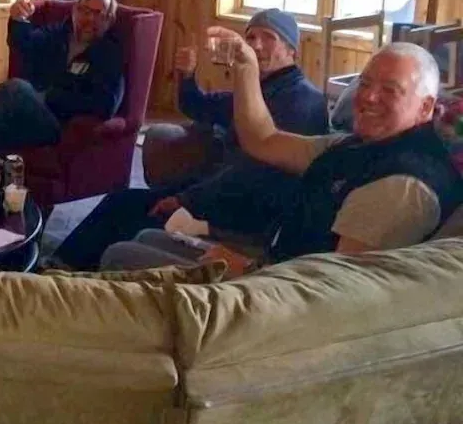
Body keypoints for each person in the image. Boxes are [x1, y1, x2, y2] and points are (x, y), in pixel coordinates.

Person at [101, 32, 460, 275]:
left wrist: (248, 268)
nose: (368, 97)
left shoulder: (402, 184)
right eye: (365, 84)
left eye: (390, 90)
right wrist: (245, 67)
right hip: (274, 260)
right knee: (146, 239)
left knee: (121, 257)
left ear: (426, 107)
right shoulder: (355, 145)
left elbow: (331, 288)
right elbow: (263, 139)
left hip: (278, 299)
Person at [49, 9, 328, 270]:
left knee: (135, 215)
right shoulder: (255, 90)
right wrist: (187, 76)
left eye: (269, 38)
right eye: (251, 37)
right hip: (220, 189)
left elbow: (255, 173)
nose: (256, 45)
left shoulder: (302, 100)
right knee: (123, 200)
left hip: (251, 207)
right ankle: (61, 267)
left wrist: (187, 199)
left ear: (292, 50)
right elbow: (198, 106)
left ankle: (74, 274)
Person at [0, 0, 125, 153]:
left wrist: (50, 96)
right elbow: (24, 44)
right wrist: (18, 19)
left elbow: (106, 104)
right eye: (84, 11)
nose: (89, 19)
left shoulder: (109, 54)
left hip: (58, 122)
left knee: (17, 89)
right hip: (28, 109)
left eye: (98, 14)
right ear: (74, 11)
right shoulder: (59, 34)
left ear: (109, 20)